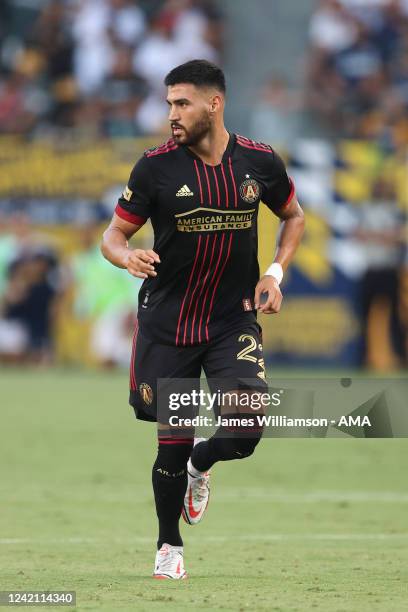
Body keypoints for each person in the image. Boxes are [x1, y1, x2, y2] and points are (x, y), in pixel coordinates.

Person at [101, 59, 305, 579]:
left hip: (230, 321)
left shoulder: (259, 162)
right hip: (169, 327)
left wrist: (276, 273)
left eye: (182, 103)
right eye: (169, 103)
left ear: (214, 104)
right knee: (169, 442)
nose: (172, 113)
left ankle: (202, 462)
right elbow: (113, 236)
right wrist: (127, 257)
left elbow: (293, 216)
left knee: (244, 431)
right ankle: (169, 547)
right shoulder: (155, 168)